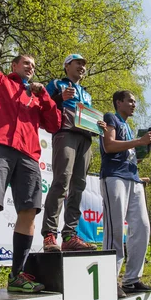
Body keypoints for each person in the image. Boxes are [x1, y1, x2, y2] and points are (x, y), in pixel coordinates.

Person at [0, 3, 61, 297]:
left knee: (29, 213)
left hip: (29, 157)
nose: (30, 68)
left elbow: (55, 124)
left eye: (33, 66)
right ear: (14, 66)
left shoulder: (36, 97)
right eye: (25, 64)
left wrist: (44, 95)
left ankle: (17, 275)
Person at [100, 90, 151, 298]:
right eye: (130, 101)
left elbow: (131, 158)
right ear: (119, 102)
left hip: (133, 179)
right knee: (115, 231)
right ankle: (109, 280)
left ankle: (132, 280)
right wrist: (139, 142)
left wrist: (146, 149)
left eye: (135, 102)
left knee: (142, 227)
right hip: (114, 177)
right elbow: (109, 146)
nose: (134, 104)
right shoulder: (110, 118)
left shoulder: (129, 128)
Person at [42, 54, 101, 252]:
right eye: (79, 63)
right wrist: (59, 98)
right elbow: (41, 105)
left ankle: (69, 235)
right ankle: (50, 235)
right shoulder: (57, 84)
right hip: (65, 133)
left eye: (85, 64)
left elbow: (87, 116)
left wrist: (98, 125)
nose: (83, 67)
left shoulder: (87, 94)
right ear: (67, 65)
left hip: (86, 139)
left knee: (79, 186)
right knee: (61, 182)